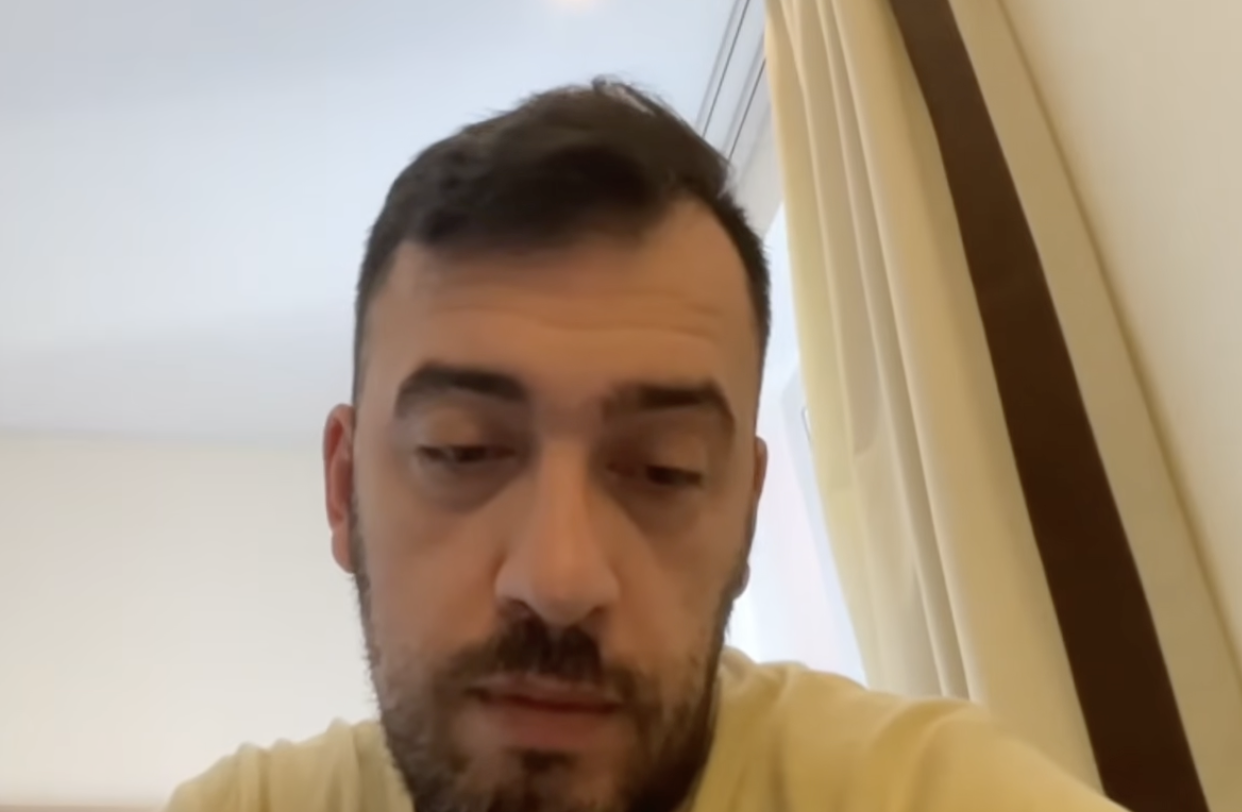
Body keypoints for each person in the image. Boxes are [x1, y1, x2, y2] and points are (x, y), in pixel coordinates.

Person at [165, 79, 1124, 812]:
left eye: (664, 470)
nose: (559, 579)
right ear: (343, 490)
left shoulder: (928, 791)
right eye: (462, 452)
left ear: (745, 518)